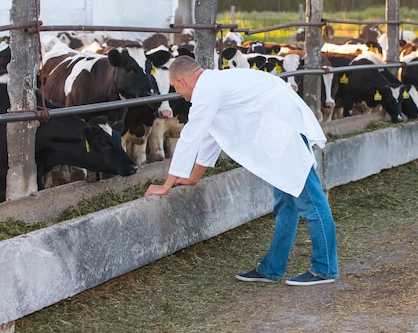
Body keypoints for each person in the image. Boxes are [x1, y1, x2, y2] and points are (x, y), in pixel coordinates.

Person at [145, 56, 338, 286]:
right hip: (276, 133)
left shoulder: (207, 90)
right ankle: (271, 269)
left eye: (176, 88)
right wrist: (193, 178)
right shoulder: (213, 86)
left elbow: (190, 136)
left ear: (182, 81)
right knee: (286, 203)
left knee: (311, 201)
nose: (179, 94)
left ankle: (325, 268)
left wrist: (167, 185)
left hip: (285, 132)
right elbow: (210, 137)